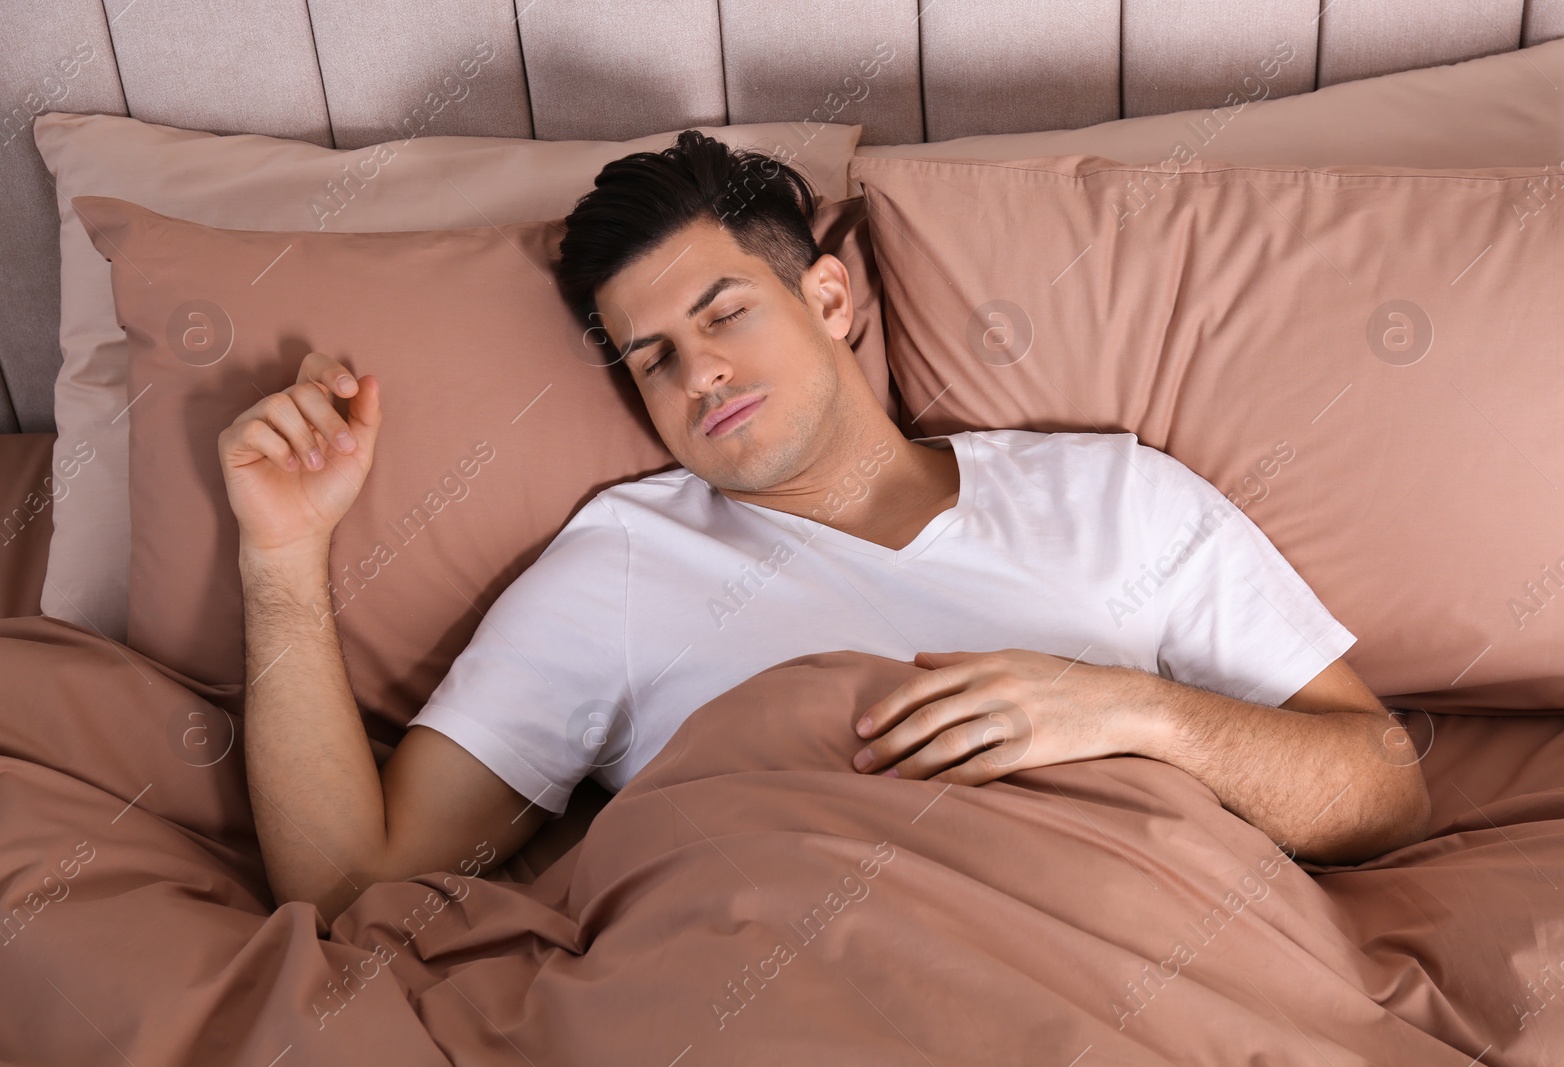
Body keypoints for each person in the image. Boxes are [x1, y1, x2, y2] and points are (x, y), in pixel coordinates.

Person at [219, 131, 1429, 931]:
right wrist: (282, 556)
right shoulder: (620, 564)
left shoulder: (1119, 495)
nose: (699, 372)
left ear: (831, 298)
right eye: (653, 357)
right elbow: (350, 888)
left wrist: (1128, 711)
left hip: (1135, 956)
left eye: (724, 312)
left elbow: (1380, 788)